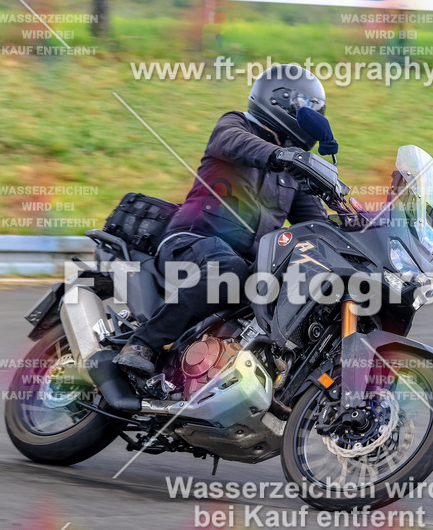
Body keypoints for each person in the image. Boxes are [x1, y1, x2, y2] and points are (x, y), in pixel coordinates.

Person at [114, 64, 332, 375]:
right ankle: (142, 343)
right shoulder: (235, 126)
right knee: (229, 269)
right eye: (306, 110)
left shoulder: (294, 173)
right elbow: (233, 141)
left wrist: (364, 225)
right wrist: (281, 156)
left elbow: (316, 228)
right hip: (191, 242)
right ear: (280, 102)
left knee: (301, 287)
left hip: (245, 263)